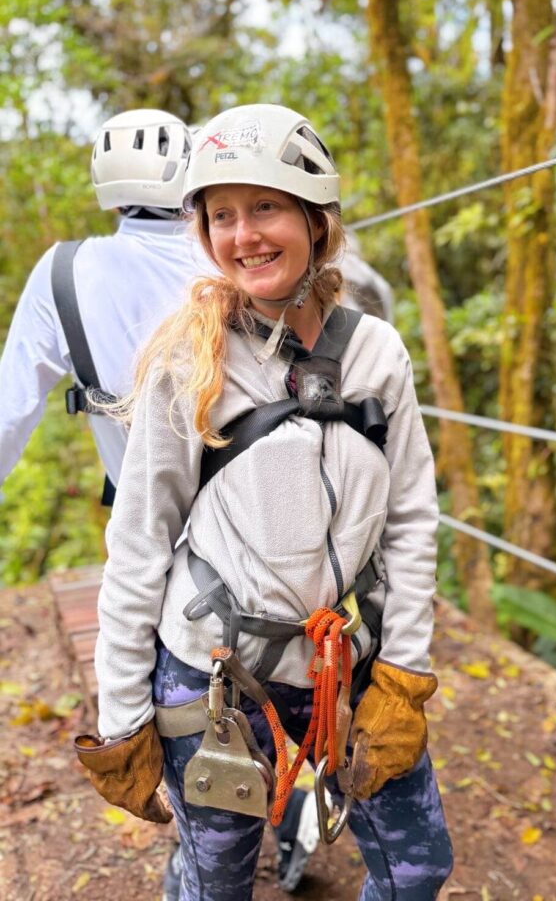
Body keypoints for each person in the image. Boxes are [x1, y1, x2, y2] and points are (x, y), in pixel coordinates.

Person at [74, 104, 453, 901]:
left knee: (419, 866)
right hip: (214, 672)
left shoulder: (376, 354)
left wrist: (406, 673)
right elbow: (141, 539)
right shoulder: (191, 358)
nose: (243, 235)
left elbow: (413, 517)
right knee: (217, 882)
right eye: (221, 216)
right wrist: (121, 718)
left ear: (316, 220)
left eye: (266, 207)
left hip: (337, 663)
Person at [0, 108, 211, 496]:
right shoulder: (235, 257)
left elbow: (9, 412)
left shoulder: (62, 270)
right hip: (250, 516)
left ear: (110, 198)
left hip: (143, 527)